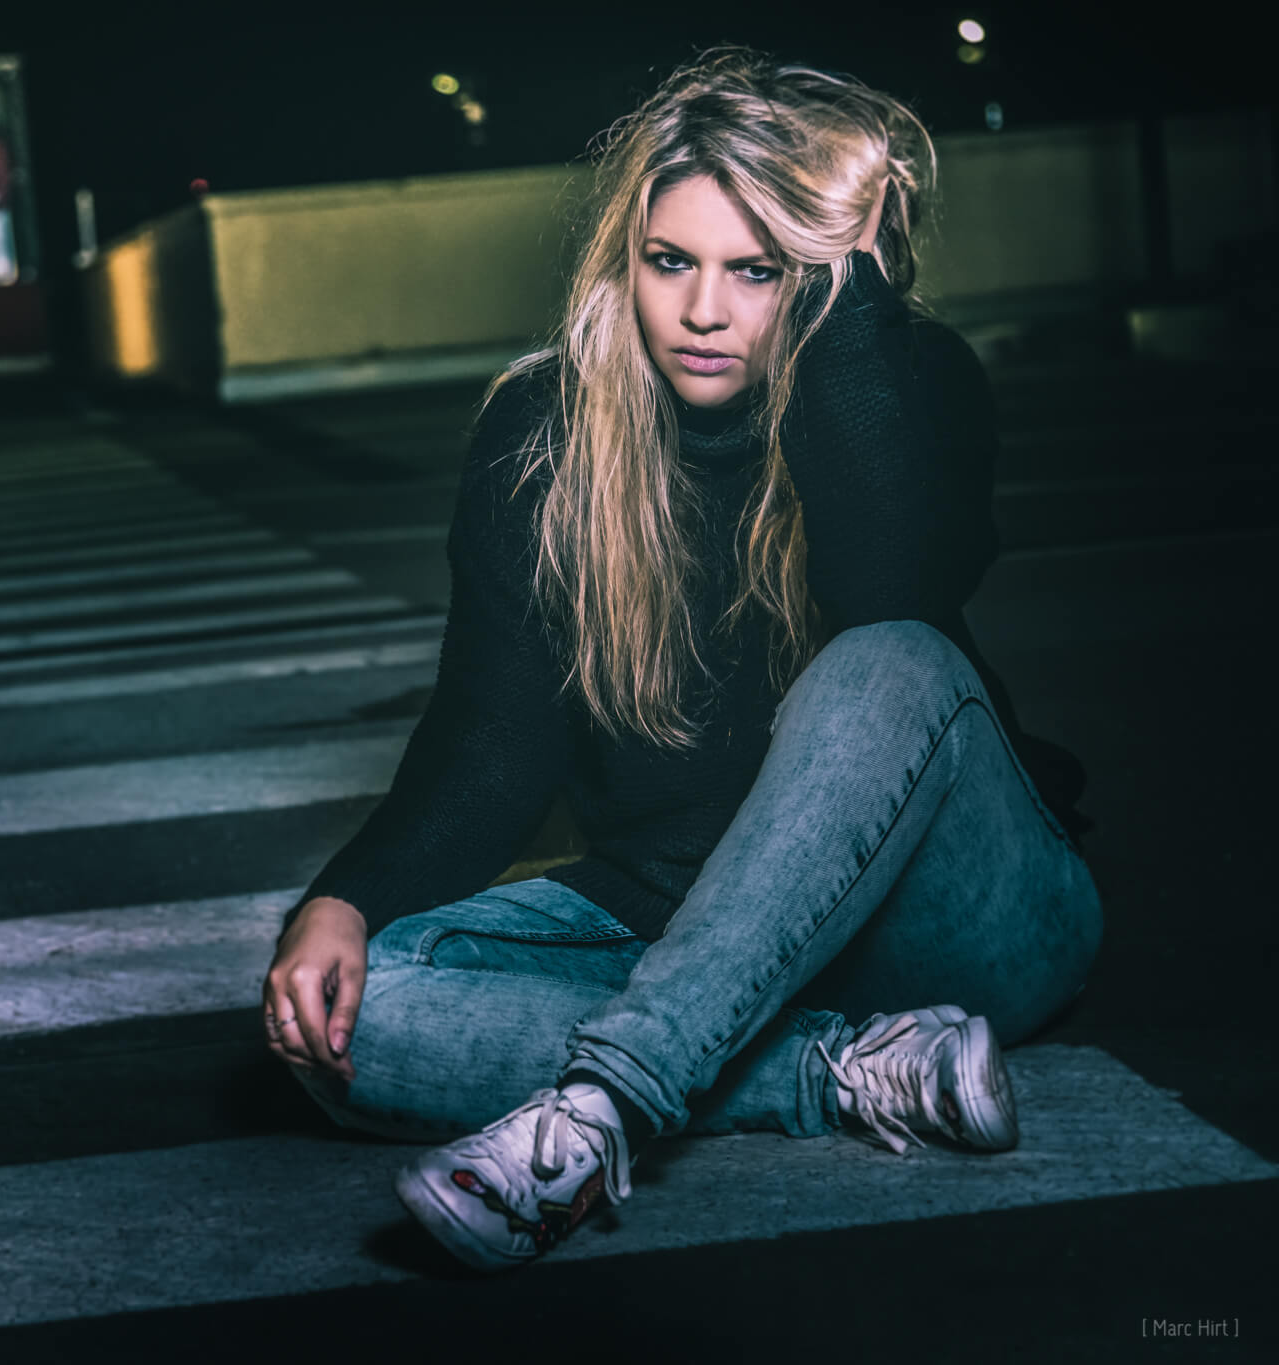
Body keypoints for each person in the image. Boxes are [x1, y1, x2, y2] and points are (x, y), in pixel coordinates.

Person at [258, 48, 1104, 1272]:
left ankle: (600, 1111)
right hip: (678, 924)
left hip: (955, 920)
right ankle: (837, 1072)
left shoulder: (912, 382)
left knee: (883, 661)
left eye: (757, 272)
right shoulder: (539, 432)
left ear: (822, 276)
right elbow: (492, 747)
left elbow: (889, 592)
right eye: (671, 262)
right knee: (357, 1011)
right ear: (627, 258)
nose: (702, 311)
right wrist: (341, 902)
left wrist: (846, 309)